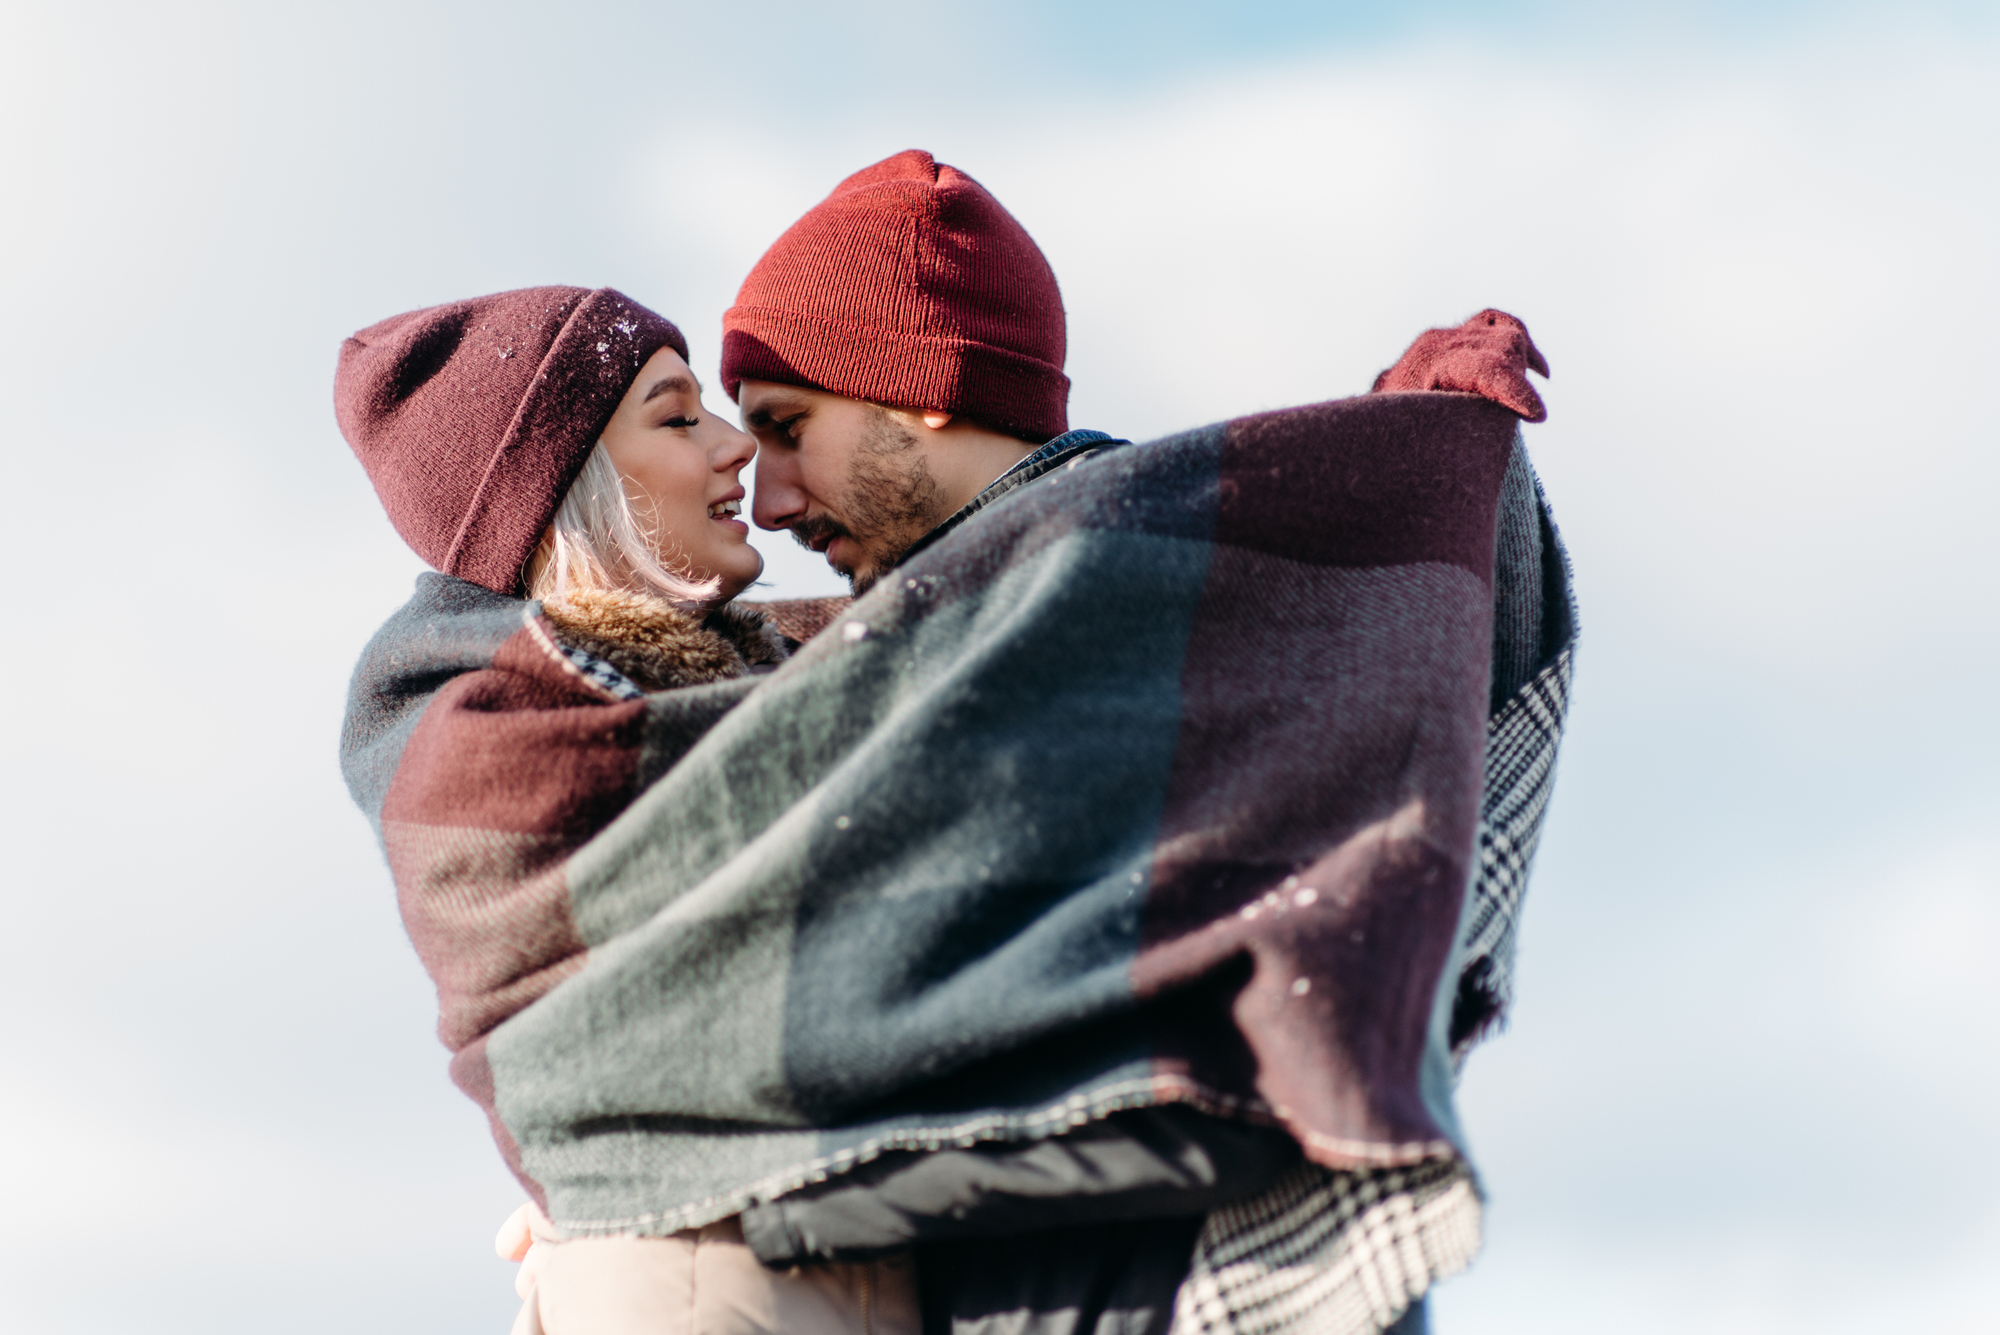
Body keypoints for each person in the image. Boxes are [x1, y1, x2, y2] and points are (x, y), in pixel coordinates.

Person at [341, 159, 1573, 1335]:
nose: (760, 491)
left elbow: (1261, 657)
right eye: (706, 423)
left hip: (1189, 1269)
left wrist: (1408, 470)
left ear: (914, 392)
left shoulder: (1119, 614)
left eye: (780, 424)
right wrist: (645, 1176)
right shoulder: (762, 691)